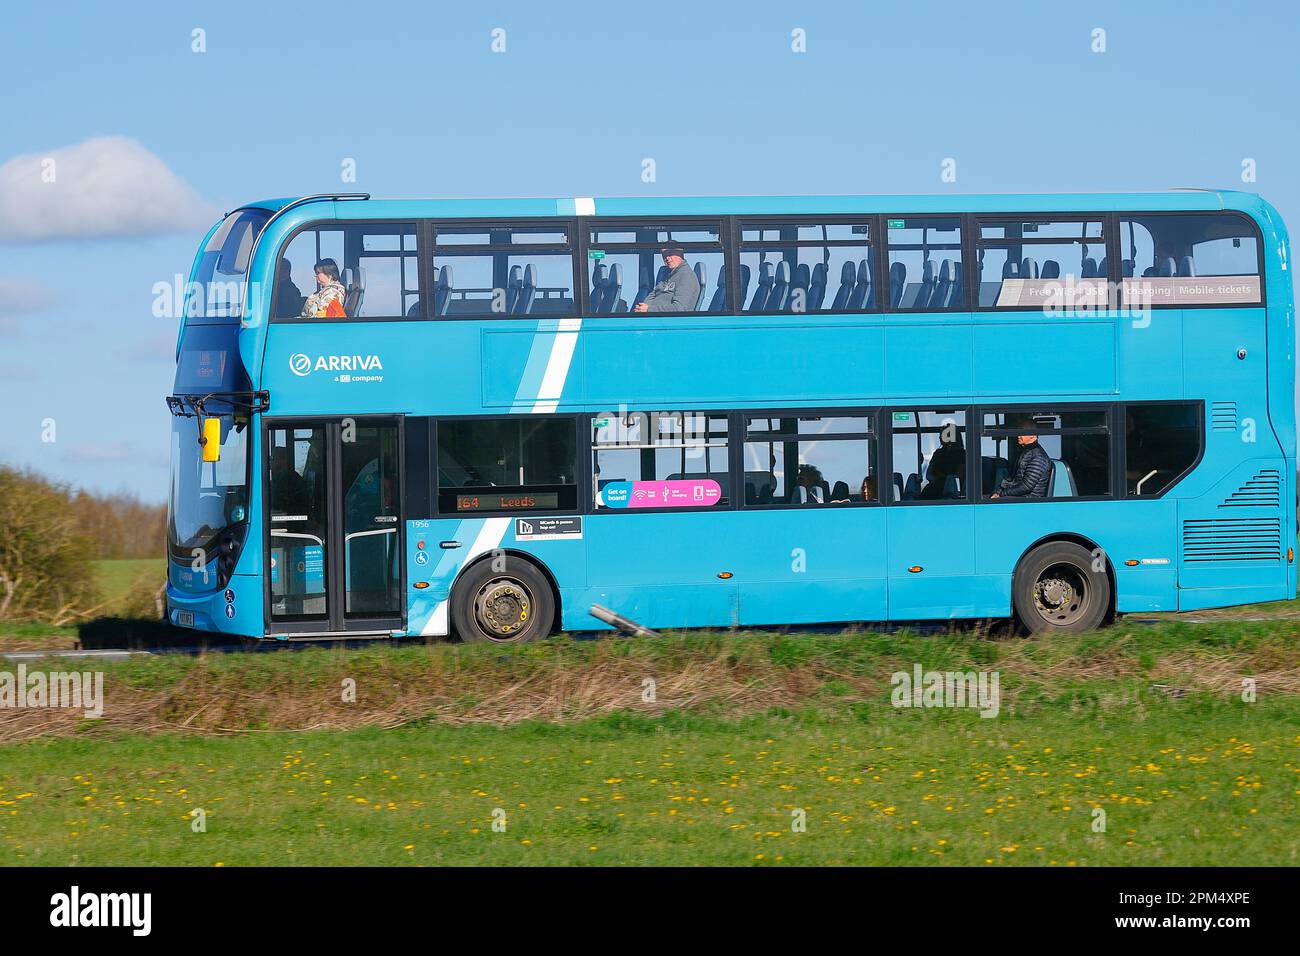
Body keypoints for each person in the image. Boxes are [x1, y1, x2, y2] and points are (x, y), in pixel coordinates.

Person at [992, 417, 1051, 498]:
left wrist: (1002, 494)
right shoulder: (1026, 452)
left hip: (1029, 500)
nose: (1018, 436)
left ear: (1033, 435)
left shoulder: (1038, 457)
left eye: (1022, 432)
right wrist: (998, 491)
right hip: (1019, 496)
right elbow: (1010, 478)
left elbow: (1026, 486)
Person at [634, 245, 700, 312]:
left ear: (680, 254)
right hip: (653, 318)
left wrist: (649, 309)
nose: (667, 258)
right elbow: (653, 295)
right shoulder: (666, 276)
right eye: (664, 255)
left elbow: (679, 308)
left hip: (670, 321)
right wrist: (642, 307)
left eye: (670, 254)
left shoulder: (687, 276)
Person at [919, 428, 965, 500]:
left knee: (949, 482)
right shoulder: (938, 453)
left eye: (942, 435)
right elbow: (929, 474)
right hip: (936, 486)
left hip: (954, 489)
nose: (940, 437)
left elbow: (960, 474)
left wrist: (944, 476)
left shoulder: (962, 454)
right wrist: (936, 478)